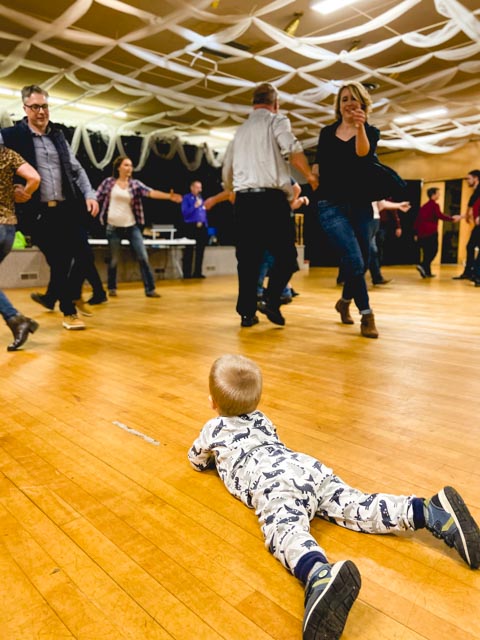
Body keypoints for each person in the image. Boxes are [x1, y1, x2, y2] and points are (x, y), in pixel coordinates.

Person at [188, 354, 480, 640]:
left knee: (285, 529)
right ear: (257, 401)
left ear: (212, 402)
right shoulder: (263, 419)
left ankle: (318, 574)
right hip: (306, 467)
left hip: (273, 482)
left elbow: (197, 460)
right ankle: (427, 511)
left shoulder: (212, 428)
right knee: (357, 505)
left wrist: (216, 459)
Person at [0, 84, 100, 331]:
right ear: (25, 108)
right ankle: (69, 311)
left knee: (85, 255)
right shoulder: (10, 136)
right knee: (59, 260)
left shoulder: (58, 136)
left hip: (66, 208)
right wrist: (10, 188)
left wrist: (90, 194)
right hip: (36, 212)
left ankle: (62, 295)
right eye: (35, 107)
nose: (41, 112)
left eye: (44, 106)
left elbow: (77, 170)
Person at [313, 81, 406, 339]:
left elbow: (363, 154)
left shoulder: (371, 131)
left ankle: (344, 302)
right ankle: (367, 314)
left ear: (363, 104)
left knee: (360, 262)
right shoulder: (326, 133)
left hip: (360, 204)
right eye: (344, 99)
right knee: (354, 260)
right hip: (331, 205)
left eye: (354, 99)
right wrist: (315, 177)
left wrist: (360, 127)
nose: (349, 103)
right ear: (338, 105)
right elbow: (318, 166)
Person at [222, 82, 318, 328]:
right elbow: (293, 148)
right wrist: (309, 176)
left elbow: (227, 169)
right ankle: (272, 300)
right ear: (275, 104)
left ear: (253, 103)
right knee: (286, 258)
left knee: (248, 261)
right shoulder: (277, 121)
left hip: (244, 201)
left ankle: (247, 314)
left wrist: (231, 190)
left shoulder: (239, 132)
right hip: (271, 200)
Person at [95, 155, 182, 298]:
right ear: (118, 167)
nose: (130, 168)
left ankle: (150, 289)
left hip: (131, 226)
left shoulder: (135, 184)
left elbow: (151, 192)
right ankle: (111, 287)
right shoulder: (109, 183)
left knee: (143, 256)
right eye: (126, 165)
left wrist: (168, 196)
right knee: (114, 259)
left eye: (131, 165)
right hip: (113, 227)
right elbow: (96, 196)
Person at [0, 144, 40, 350]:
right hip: (8, 229)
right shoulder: (8, 154)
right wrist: (24, 193)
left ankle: (15, 319)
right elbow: (34, 178)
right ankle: (16, 319)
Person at [414, 187, 461, 278]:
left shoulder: (424, 206)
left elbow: (417, 220)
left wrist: (416, 233)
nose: (439, 195)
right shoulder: (435, 206)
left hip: (422, 232)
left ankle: (427, 272)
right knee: (433, 251)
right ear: (433, 195)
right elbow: (440, 215)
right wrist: (451, 219)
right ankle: (423, 265)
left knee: (426, 252)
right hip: (431, 232)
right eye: (438, 193)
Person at [369, 199, 411, 284]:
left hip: (374, 222)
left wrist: (398, 205)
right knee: (365, 251)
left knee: (373, 251)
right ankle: (348, 279)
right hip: (365, 221)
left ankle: (376, 277)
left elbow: (381, 204)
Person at [453, 170, 480, 281]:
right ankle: (470, 272)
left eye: (469, 178)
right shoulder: (475, 192)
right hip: (478, 225)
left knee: (472, 246)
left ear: (476, 178)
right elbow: (472, 207)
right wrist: (462, 216)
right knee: (470, 246)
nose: (467, 181)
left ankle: (475, 273)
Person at [181, 180, 209, 279]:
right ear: (192, 188)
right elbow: (185, 212)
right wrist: (194, 206)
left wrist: (205, 223)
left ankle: (198, 272)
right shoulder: (186, 198)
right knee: (189, 250)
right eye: (197, 187)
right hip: (191, 226)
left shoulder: (201, 198)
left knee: (200, 250)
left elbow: (203, 212)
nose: (199, 190)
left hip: (202, 227)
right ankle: (187, 273)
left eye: (200, 188)